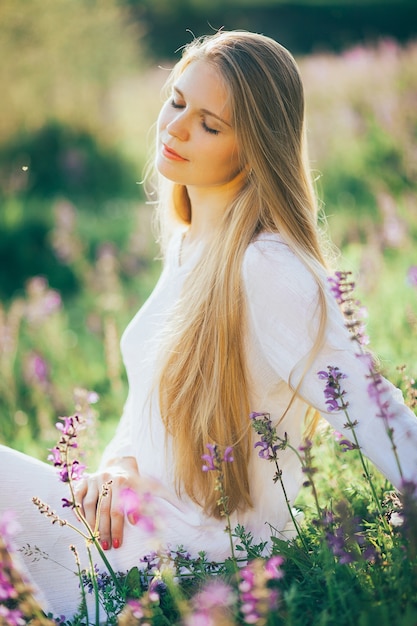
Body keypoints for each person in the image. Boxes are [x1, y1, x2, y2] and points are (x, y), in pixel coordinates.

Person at [1, 29, 417, 620]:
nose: (174, 128)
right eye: (176, 102)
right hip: (136, 527)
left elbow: (376, 410)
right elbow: (148, 402)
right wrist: (119, 465)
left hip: (193, 560)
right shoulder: (194, 242)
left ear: (253, 148)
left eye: (209, 124)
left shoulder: (268, 265)